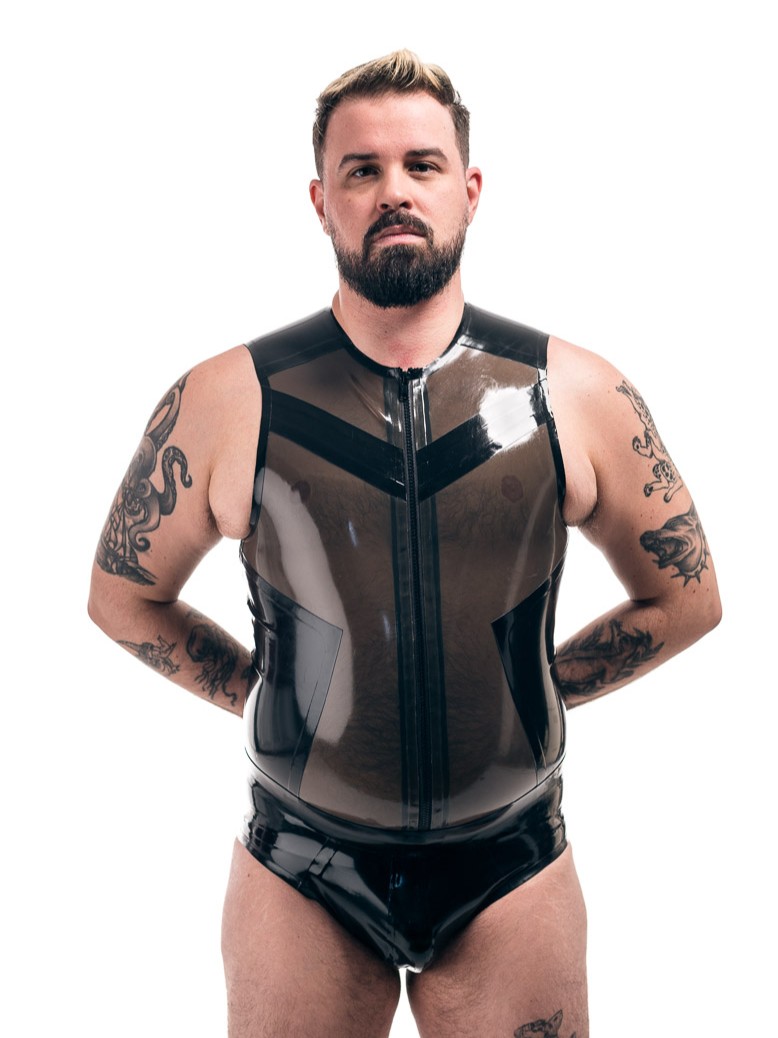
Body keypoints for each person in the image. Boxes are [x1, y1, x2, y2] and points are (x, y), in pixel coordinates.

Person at [88, 49, 721, 1038]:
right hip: (302, 867)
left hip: (511, 866)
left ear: (469, 189)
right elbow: (123, 595)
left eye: (422, 165)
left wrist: (540, 686)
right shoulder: (226, 398)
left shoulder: (576, 394)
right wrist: (260, 692)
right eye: (362, 170)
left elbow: (686, 597)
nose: (395, 191)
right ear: (320, 200)